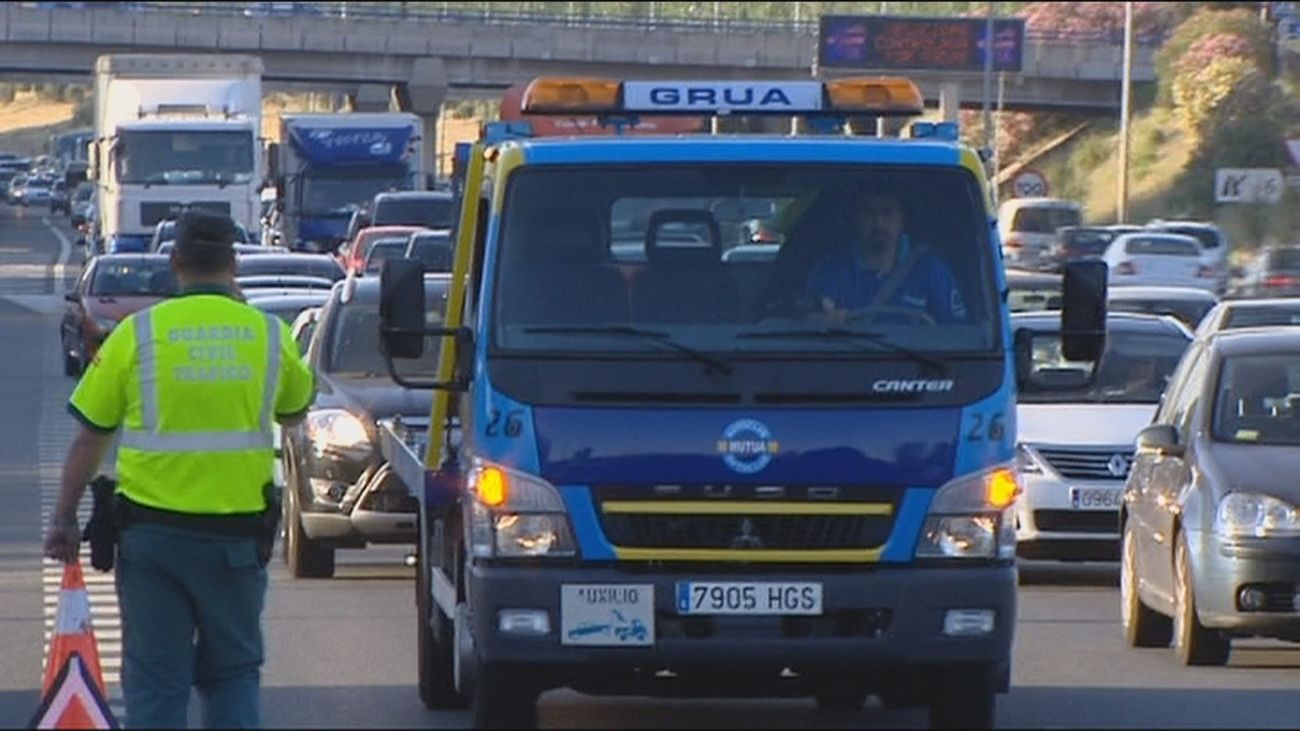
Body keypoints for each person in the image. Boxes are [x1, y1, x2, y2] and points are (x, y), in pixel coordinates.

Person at [43, 210, 315, 729]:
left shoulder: (137, 333)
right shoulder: (269, 334)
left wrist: (63, 519)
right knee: (233, 674)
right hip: (236, 542)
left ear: (175, 263)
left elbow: (90, 436)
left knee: (155, 680)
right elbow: (295, 410)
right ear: (234, 265)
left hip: (153, 541)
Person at [804, 187, 966, 325]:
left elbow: (956, 333)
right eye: (868, 213)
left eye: (887, 212)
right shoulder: (828, 271)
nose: (878, 222)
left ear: (902, 219)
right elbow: (805, 327)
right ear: (855, 220)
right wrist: (822, 321)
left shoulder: (932, 271)